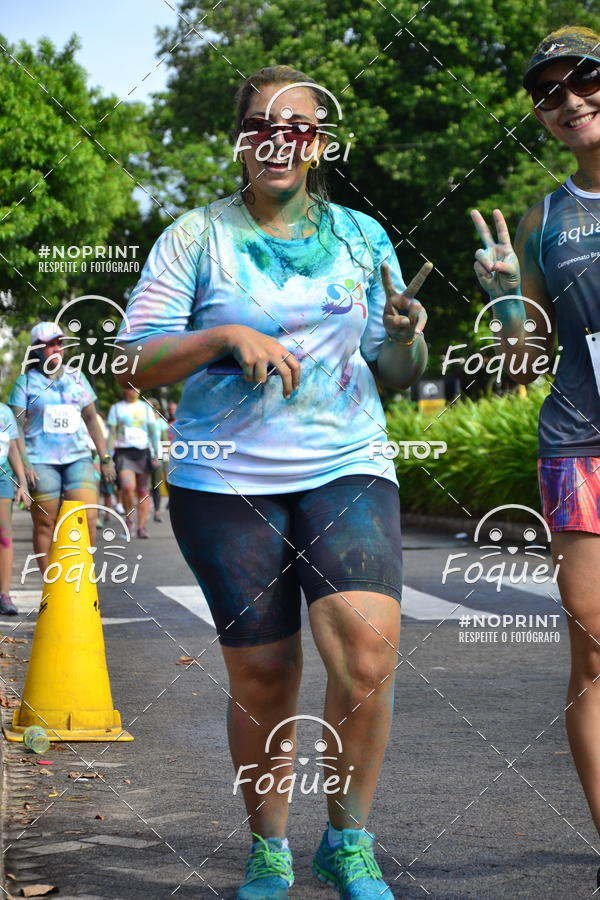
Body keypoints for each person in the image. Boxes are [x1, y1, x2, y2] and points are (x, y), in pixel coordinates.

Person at [115, 65, 431, 899]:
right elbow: (132, 364)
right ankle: (269, 848)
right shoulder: (194, 237)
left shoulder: (363, 237)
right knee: (264, 674)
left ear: (321, 143)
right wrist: (222, 335)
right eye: (261, 124)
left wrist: (404, 335)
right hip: (227, 481)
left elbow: (395, 369)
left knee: (367, 653)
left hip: (346, 462)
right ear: (241, 139)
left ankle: (349, 839)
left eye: (298, 126)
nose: (279, 139)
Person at [470, 25, 600, 887]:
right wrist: (507, 296)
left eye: (583, 80)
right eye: (548, 94)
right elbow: (528, 359)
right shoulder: (547, 215)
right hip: (581, 447)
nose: (568, 102)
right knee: (592, 652)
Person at [9, 322, 116, 571]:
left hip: (78, 458)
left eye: (59, 343)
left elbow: (91, 418)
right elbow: (15, 429)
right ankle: (52, 586)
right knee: (46, 523)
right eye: (48, 345)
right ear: (35, 350)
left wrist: (105, 456)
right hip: (40, 461)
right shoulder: (25, 383)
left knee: (88, 517)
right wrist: (24, 466)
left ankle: (80, 579)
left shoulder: (77, 378)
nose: (55, 349)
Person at [107, 386, 160, 539]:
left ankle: (141, 527)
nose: (134, 390)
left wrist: (156, 453)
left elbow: (153, 432)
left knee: (143, 491)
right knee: (128, 487)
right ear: (124, 389)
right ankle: (129, 520)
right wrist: (108, 456)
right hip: (124, 452)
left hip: (143, 452)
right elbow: (112, 434)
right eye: (130, 388)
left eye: (136, 387)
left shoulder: (146, 408)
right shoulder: (117, 408)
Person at [0, 402, 30, 614]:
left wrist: (22, 482)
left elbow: (12, 448)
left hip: (2, 477)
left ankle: (4, 595)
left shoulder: (4, 412)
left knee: (4, 535)